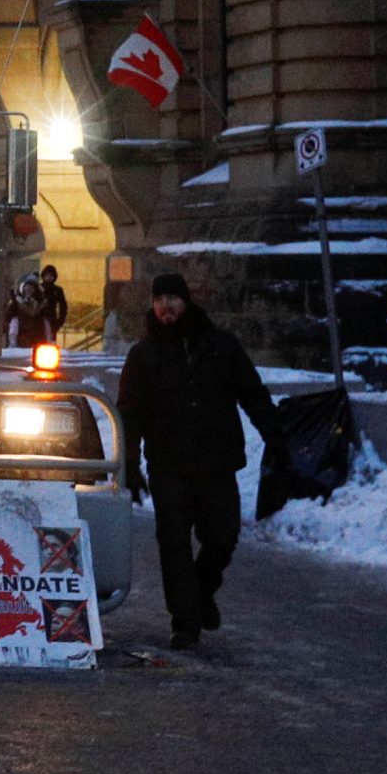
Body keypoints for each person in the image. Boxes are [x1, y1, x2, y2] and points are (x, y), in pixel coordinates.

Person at [117, 272, 279, 652]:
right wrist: (128, 464)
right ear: (152, 305)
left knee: (222, 537)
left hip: (216, 463)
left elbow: (252, 394)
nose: (166, 306)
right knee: (173, 545)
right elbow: (130, 415)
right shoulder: (143, 355)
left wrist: (277, 437)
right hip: (168, 466)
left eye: (173, 298)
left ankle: (202, 592)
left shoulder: (221, 347)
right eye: (160, 300)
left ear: (186, 302)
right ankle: (185, 624)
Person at [9, 274, 56, 348]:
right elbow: (9, 316)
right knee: (14, 321)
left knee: (46, 322)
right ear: (23, 288)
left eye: (31, 287)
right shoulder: (17, 302)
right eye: (27, 287)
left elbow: (47, 319)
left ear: (35, 290)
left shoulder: (41, 303)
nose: (29, 289)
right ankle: (12, 344)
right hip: (22, 336)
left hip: (38, 335)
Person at [38, 264, 70, 343]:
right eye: (47, 275)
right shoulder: (38, 288)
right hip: (38, 318)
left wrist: (60, 320)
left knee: (50, 340)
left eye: (51, 276)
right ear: (43, 276)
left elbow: (63, 306)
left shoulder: (57, 290)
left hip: (52, 318)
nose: (49, 278)